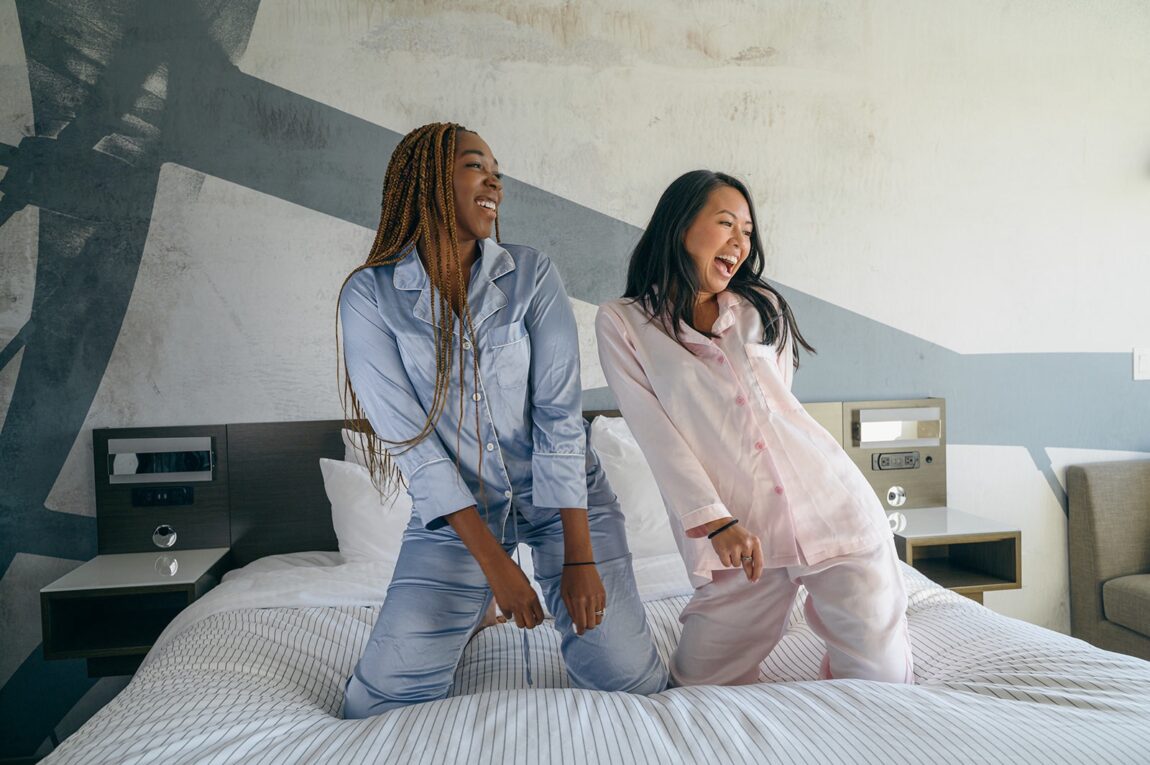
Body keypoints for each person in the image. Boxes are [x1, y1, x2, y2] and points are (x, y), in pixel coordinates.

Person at [338, 123, 667, 718]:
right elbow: (416, 449)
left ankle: (489, 603)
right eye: (474, 166)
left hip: (566, 502)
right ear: (429, 181)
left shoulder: (532, 274)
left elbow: (559, 416)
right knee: (377, 704)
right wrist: (497, 571)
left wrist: (580, 559)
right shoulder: (369, 296)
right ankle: (471, 612)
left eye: (496, 169)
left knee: (630, 683)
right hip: (458, 517)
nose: (494, 181)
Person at [595, 169, 914, 687]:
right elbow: (657, 436)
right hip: (740, 535)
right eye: (726, 224)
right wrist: (717, 522)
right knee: (701, 683)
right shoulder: (625, 322)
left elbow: (776, 418)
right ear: (680, 226)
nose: (740, 243)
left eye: (747, 231)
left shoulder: (761, 307)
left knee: (882, 678)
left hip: (833, 507)